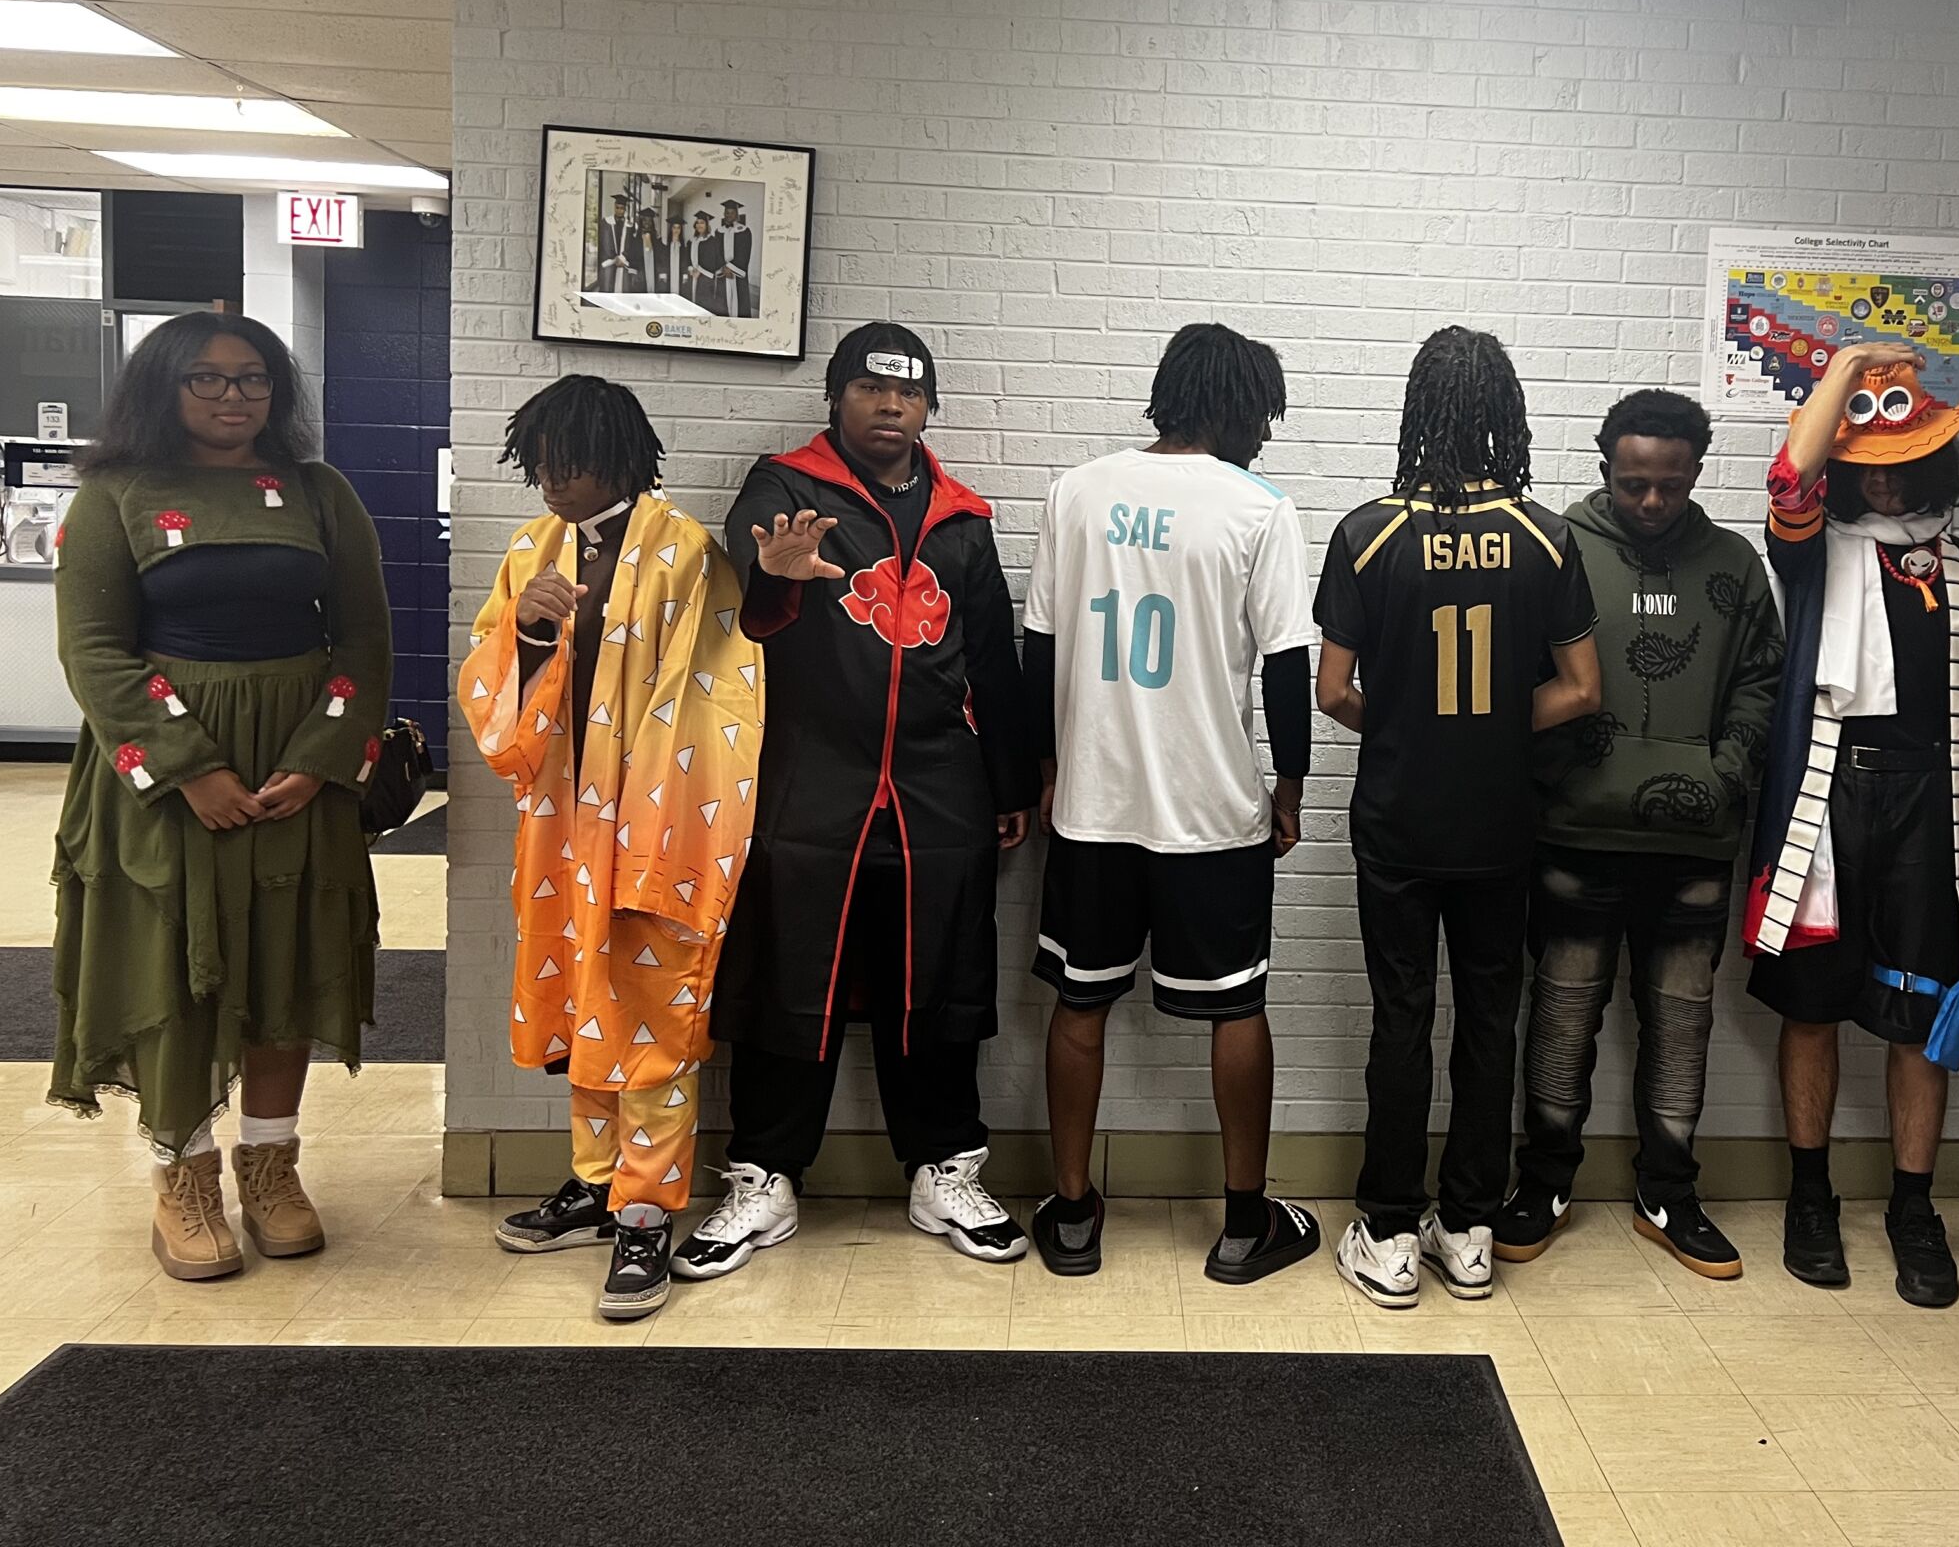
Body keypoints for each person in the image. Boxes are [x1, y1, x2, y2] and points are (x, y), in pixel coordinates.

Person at [678, 323, 1037, 1280]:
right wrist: (776, 573)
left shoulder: (962, 518)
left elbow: (993, 661)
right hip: (811, 778)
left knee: (939, 980)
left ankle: (944, 1168)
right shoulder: (788, 488)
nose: (891, 408)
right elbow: (748, 574)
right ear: (836, 398)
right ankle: (763, 1177)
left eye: (909, 394)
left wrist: (1010, 781)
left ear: (929, 408)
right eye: (872, 391)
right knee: (793, 974)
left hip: (938, 786)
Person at [49, 313, 388, 1281]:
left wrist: (323, 755)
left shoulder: (320, 493)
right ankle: (182, 1175)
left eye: (254, 380)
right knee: (175, 970)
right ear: (163, 387)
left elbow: (363, 638)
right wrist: (190, 767)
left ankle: (271, 1168)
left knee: (287, 965)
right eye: (208, 379)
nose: (234, 397)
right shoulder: (114, 494)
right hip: (163, 778)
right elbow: (95, 651)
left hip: (297, 765)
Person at [1023, 323, 1323, 1285]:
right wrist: (1291, 785)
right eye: (1263, 416)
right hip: (1212, 812)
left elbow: (1040, 647)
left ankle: (1072, 1212)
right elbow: (1286, 668)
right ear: (1241, 407)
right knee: (1237, 1007)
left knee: (1081, 999)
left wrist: (1045, 766)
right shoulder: (1258, 508)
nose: (1266, 437)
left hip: (1093, 806)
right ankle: (1243, 1225)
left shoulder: (1078, 489)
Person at [460, 376, 765, 1320]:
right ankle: (596, 1184)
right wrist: (534, 626)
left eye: (574, 460)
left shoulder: (687, 554)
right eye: (543, 461)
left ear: (623, 457)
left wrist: (661, 834)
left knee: (653, 1013)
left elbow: (722, 698)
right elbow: (495, 691)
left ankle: (645, 1215)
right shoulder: (530, 551)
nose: (554, 479)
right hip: (560, 825)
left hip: (658, 822)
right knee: (584, 1007)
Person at [1316, 327, 1602, 1310]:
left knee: (1402, 1018)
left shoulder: (1368, 531)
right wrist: (1487, 727)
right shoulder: (1545, 535)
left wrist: (1406, 719)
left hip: (1398, 819)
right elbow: (1580, 688)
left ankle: (1390, 1234)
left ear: (1416, 408)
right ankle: (1470, 1229)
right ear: (1505, 415)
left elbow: (1331, 690)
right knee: (1490, 1018)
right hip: (1498, 823)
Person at [1745, 340, 1959, 1309]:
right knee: (1812, 1005)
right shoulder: (1813, 551)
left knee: (1921, 1014)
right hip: (1825, 800)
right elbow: (1788, 474)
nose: (1890, 485)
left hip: (1926, 813)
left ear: (1937, 466)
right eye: (1869, 469)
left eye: (1907, 466)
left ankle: (1914, 1206)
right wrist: (1850, 365)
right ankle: (1809, 1197)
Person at [1496, 388, 1781, 1278]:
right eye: (1632, 484)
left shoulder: (1734, 562)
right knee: (1563, 1012)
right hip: (1575, 830)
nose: (1650, 502)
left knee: (1682, 1021)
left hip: (1695, 839)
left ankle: (1669, 1191)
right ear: (1604, 468)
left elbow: (1762, 683)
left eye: (1669, 483)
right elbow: (1513, 675)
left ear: (1696, 472)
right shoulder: (1556, 547)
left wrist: (1724, 772)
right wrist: (1552, 775)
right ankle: (1543, 1181)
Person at [717, 198, 756, 319]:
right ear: (724, 214)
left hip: (737, 273)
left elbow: (745, 253)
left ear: (736, 214)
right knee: (723, 303)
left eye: (732, 212)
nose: (729, 215)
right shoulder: (719, 231)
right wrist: (723, 268)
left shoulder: (744, 231)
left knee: (740, 303)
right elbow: (716, 252)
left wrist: (730, 268)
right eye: (727, 213)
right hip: (723, 272)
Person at [595, 192, 639, 295]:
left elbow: (631, 244)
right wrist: (615, 258)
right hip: (609, 260)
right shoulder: (606, 222)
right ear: (614, 207)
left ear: (625, 210)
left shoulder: (630, 225)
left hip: (623, 261)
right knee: (607, 288)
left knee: (622, 289)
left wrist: (623, 257)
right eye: (617, 208)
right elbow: (604, 243)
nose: (619, 210)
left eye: (622, 208)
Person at [687, 210, 723, 313]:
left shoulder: (713, 241)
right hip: (692, 275)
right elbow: (687, 258)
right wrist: (690, 269)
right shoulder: (692, 240)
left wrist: (700, 271)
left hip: (705, 277)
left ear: (707, 225)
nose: (699, 225)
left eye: (702, 222)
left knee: (704, 305)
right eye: (697, 222)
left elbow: (715, 260)